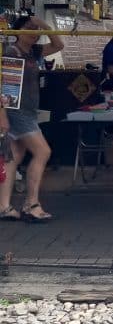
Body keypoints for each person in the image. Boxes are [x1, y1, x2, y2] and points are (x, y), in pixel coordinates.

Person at [0, 14, 64, 222]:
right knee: (43, 151)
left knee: (14, 157)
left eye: (36, 29)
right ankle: (31, 204)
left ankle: (4, 206)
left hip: (28, 111)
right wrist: (2, 115)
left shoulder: (35, 53)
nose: (34, 33)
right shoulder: (13, 52)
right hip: (16, 111)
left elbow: (58, 44)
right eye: (29, 28)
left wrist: (43, 24)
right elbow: (4, 87)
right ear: (17, 31)